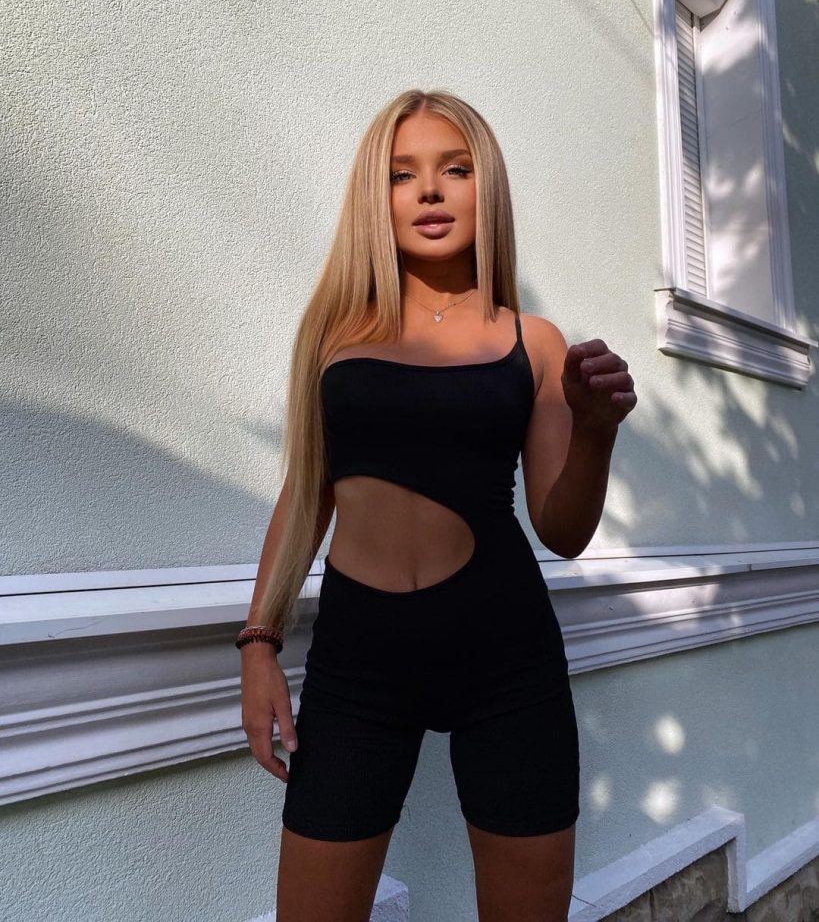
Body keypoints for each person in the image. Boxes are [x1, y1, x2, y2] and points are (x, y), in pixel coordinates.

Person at [238, 89, 637, 922]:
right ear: (375, 198)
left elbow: (562, 531)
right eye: (401, 174)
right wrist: (258, 644)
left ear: (486, 187)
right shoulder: (334, 332)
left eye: (454, 169)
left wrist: (595, 431)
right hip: (356, 668)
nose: (428, 190)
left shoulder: (532, 342)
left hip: (506, 660)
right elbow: (305, 495)